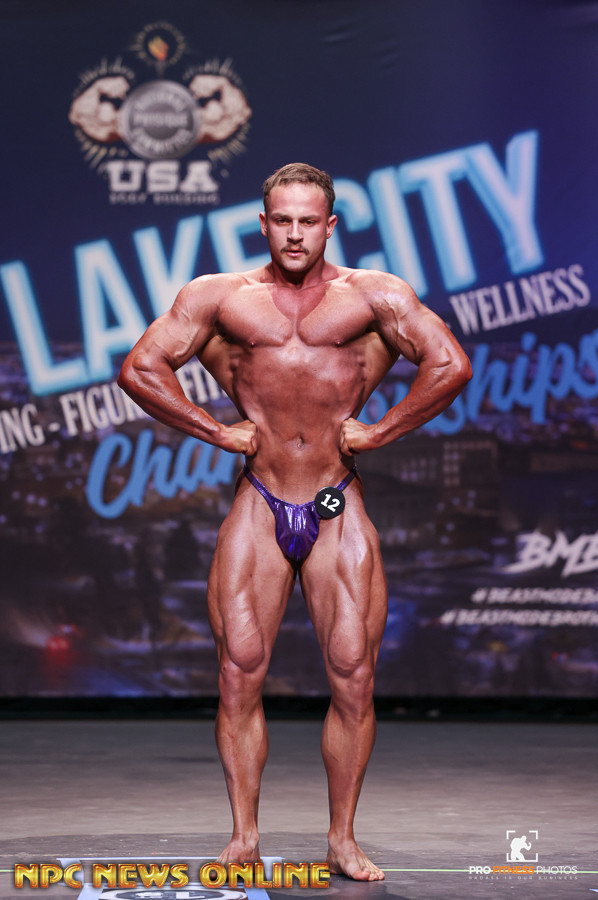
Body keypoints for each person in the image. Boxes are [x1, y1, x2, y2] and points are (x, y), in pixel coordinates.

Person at [118, 162, 472, 881]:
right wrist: (216, 431)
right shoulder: (220, 297)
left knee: (353, 673)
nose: (295, 234)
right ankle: (244, 836)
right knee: (238, 672)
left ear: (330, 225)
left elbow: (450, 364)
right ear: (263, 224)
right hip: (261, 496)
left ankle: (342, 838)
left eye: (308, 221)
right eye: (282, 220)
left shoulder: (374, 295)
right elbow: (140, 369)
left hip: (335, 499)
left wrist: (382, 431)